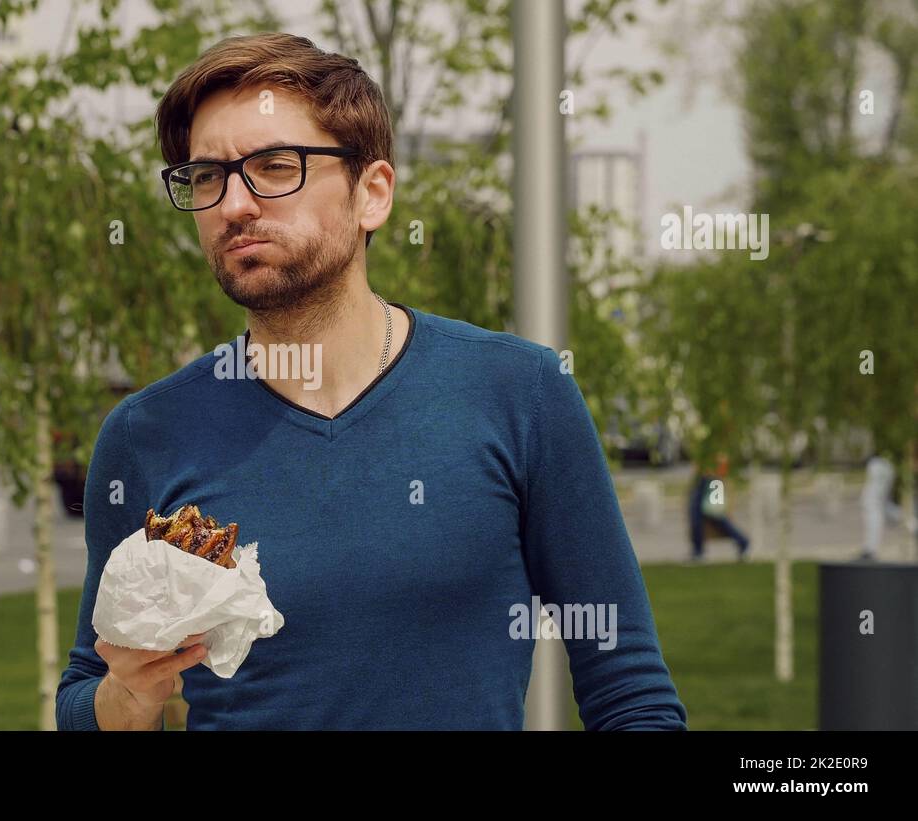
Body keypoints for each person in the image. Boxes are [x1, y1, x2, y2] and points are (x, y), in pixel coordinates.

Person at [56, 33, 686, 730]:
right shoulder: (147, 435)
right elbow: (85, 689)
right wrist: (126, 700)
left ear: (373, 193)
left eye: (273, 166)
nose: (233, 204)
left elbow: (630, 692)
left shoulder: (520, 394)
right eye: (207, 176)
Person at [687, 453, 750, 562]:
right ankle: (698, 550)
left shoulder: (715, 443)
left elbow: (722, 459)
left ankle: (743, 541)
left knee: (715, 515)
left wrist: (713, 471)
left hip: (713, 479)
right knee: (701, 515)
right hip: (707, 479)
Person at [859, 450, 903, 561]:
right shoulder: (887, 466)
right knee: (878, 519)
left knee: (874, 521)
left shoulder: (875, 466)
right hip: (879, 498)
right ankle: (870, 549)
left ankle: (870, 550)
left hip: (874, 499)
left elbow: (873, 483)